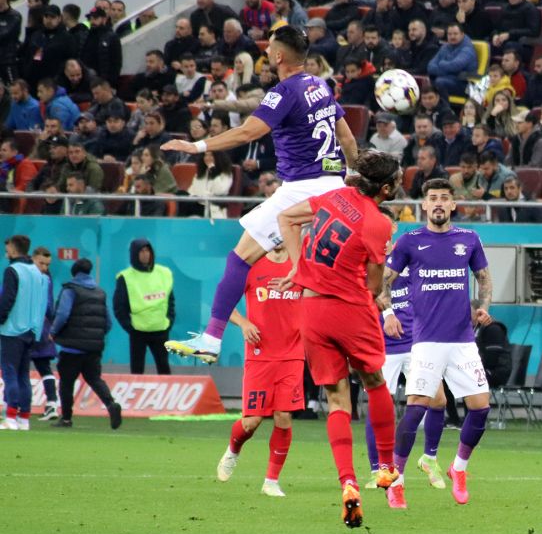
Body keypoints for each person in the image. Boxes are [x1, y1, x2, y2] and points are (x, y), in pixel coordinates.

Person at [162, 26, 357, 364]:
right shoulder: (321, 87)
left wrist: (197, 145)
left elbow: (249, 131)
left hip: (302, 188)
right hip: (335, 186)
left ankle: (212, 339)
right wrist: (354, 180)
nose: (265, 54)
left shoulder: (283, 92)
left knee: (239, 259)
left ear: (279, 56)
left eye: (269, 50)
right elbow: (348, 140)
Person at [274, 151, 403, 527]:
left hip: (311, 311)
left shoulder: (332, 197)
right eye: (396, 179)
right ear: (384, 188)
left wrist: (298, 265)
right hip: (349, 309)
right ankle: (386, 467)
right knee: (375, 380)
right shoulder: (378, 222)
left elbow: (286, 219)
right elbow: (375, 285)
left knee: (335, 400)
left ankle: (347, 483)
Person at [379, 178, 494, 509]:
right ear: (424, 205)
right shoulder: (409, 242)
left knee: (480, 406)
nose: (439, 203)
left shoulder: (468, 239)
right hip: (426, 340)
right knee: (415, 406)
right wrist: (387, 311)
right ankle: (395, 481)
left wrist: (484, 306)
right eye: (433, 198)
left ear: (453, 205)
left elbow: (483, 278)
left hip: (462, 339)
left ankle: (458, 468)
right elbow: (382, 285)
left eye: (445, 198)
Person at [364, 206, 446, 490]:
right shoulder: (367, 258)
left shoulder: (412, 255)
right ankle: (377, 471)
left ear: (394, 228)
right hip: (381, 346)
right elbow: (370, 292)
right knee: (379, 408)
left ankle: (429, 457)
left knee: (438, 400)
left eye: (387, 227)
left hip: (415, 342)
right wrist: (387, 315)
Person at [215, 243, 302, 497]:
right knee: (252, 422)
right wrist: (243, 323)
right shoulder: (252, 264)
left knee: (283, 416)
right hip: (259, 355)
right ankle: (233, 449)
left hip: (292, 355)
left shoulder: (299, 264)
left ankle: (271, 481)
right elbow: (224, 303)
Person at [49, 258, 122, 430]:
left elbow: (63, 314)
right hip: (93, 348)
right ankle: (111, 404)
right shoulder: (100, 292)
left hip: (71, 348)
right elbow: (108, 322)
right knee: (95, 379)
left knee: (67, 383)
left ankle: (66, 418)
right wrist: (94, 337)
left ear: (74, 273)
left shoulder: (70, 290)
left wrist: (52, 332)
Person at [0, 235, 50, 431]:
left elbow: (7, 299)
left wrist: (0, 319)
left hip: (12, 329)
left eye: (8, 248)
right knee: (23, 375)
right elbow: (44, 305)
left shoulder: (13, 271)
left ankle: (10, 416)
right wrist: (38, 331)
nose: (6, 252)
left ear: (14, 249)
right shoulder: (39, 274)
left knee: (10, 372)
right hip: (32, 331)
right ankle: (24, 418)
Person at [114, 239, 175, 375]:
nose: (145, 254)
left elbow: (170, 301)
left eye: (147, 250)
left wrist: (169, 321)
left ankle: (165, 395)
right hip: (138, 332)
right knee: (137, 371)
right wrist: (130, 328)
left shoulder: (164, 273)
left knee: (164, 369)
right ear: (134, 253)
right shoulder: (125, 277)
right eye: (141, 251)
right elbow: (119, 307)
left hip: (161, 330)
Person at [28, 247, 59, 420]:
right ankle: (52, 404)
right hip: (41, 327)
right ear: (33, 259)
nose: (45, 268)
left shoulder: (36, 277)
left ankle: (15, 407)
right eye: (42, 263)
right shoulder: (45, 278)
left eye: (47, 264)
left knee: (19, 368)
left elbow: (48, 305)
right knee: (44, 367)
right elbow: (49, 306)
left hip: (29, 328)